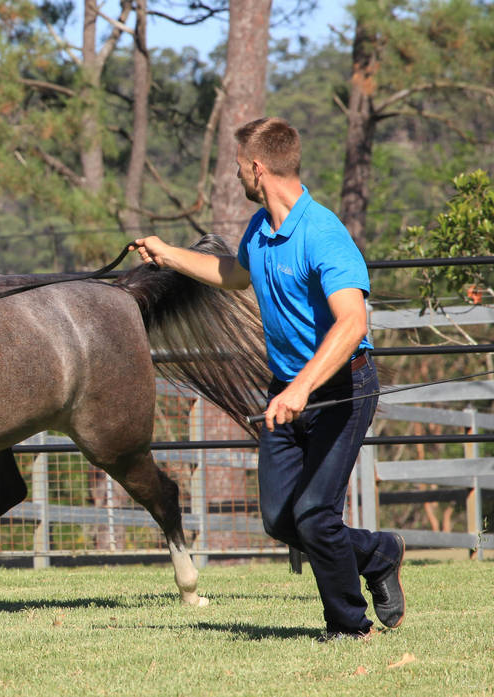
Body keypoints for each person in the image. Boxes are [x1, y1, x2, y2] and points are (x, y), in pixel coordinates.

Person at [130, 117, 405, 641]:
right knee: (281, 519)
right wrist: (167, 255)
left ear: (258, 168)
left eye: (238, 167)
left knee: (314, 515)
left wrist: (302, 387)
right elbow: (233, 275)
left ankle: (349, 627)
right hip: (286, 390)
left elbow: (353, 323)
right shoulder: (261, 229)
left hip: (341, 389)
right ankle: (378, 553)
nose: (237, 177)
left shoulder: (323, 233)